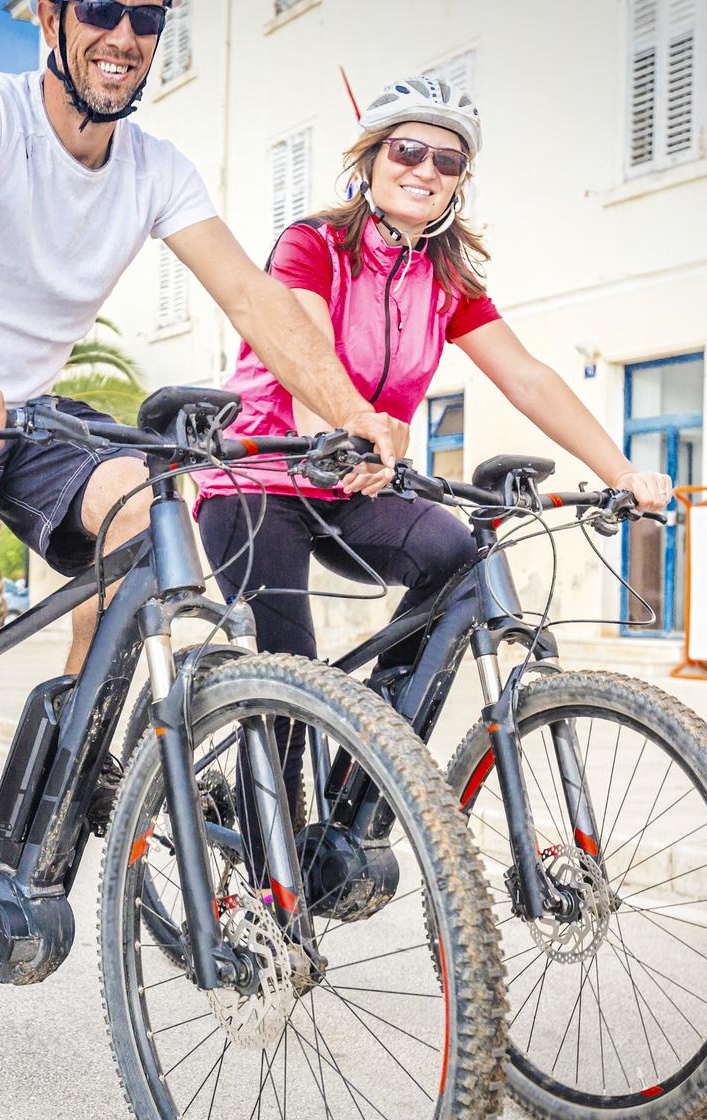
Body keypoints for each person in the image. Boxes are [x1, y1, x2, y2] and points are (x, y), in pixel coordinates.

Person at [0, 0, 398, 1056]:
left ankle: (77, 754)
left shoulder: (155, 167)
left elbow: (256, 299)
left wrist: (350, 414)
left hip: (31, 412)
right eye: (101, 8)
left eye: (148, 13)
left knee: (146, 497)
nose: (125, 33)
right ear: (47, 15)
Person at [190, 77, 674, 790]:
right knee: (287, 674)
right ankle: (269, 882)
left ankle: (369, 765)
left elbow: (528, 378)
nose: (425, 170)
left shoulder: (445, 279)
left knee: (453, 552)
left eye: (446, 162)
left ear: (459, 185)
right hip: (260, 479)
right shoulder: (312, 246)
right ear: (370, 162)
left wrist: (622, 469)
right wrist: (344, 433)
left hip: (359, 481)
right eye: (407, 150)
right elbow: (305, 360)